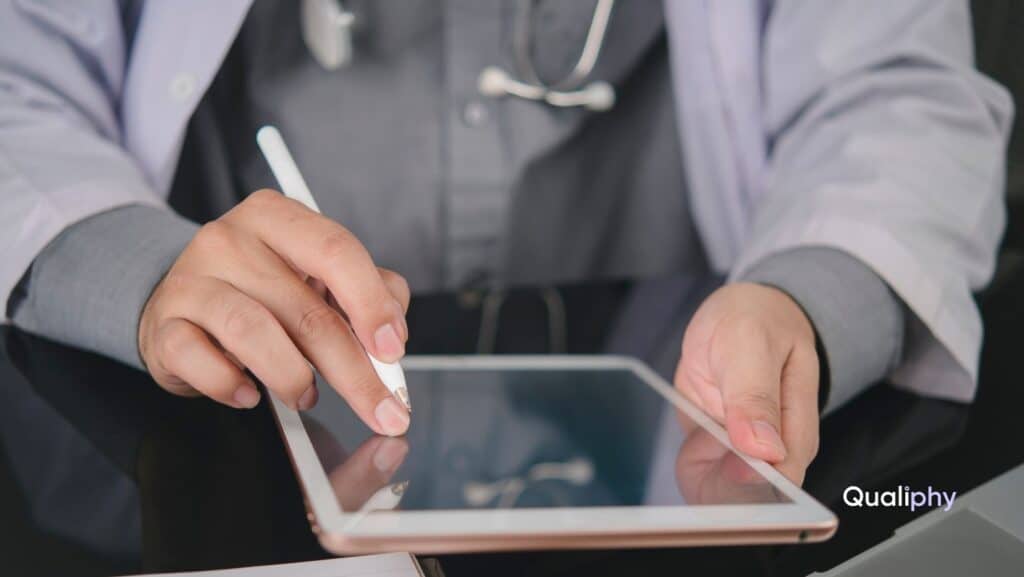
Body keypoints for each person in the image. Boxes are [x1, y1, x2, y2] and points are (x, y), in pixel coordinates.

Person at [0, 0, 1012, 486]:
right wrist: (132, 259)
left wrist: (809, 293)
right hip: (223, 449)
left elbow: (893, 94)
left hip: (669, 437)